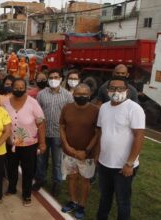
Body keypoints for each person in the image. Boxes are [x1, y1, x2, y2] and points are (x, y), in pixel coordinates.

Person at [96, 76, 145, 220]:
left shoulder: (134, 109)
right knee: (105, 197)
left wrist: (129, 163)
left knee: (122, 201)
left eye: (120, 88)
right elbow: (101, 132)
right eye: (112, 88)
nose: (116, 91)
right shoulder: (104, 107)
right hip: (104, 163)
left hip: (123, 167)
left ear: (127, 91)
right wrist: (97, 155)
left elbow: (139, 136)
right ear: (107, 90)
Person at [2, 79, 46, 206]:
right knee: (11, 168)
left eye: (22, 87)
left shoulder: (33, 103)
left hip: (29, 144)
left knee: (28, 171)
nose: (19, 89)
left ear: (26, 88)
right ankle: (12, 188)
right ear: (12, 88)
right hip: (11, 143)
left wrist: (42, 143)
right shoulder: (5, 103)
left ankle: (27, 194)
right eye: (16, 87)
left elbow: (41, 123)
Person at [60, 84, 99, 219]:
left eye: (84, 94)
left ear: (89, 95)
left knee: (85, 180)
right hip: (69, 152)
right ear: (73, 94)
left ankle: (81, 205)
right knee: (71, 177)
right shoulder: (67, 108)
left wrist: (86, 150)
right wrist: (67, 146)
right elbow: (62, 126)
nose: (81, 96)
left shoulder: (95, 111)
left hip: (86, 155)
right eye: (78, 94)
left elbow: (97, 133)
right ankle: (73, 201)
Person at [33, 69, 74, 197]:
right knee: (41, 159)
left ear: (61, 79)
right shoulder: (41, 94)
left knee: (57, 161)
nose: (53, 79)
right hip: (43, 133)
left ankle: (57, 183)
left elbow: (70, 115)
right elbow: (37, 113)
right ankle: (41, 179)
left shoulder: (67, 95)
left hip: (58, 133)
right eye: (51, 77)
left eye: (56, 77)